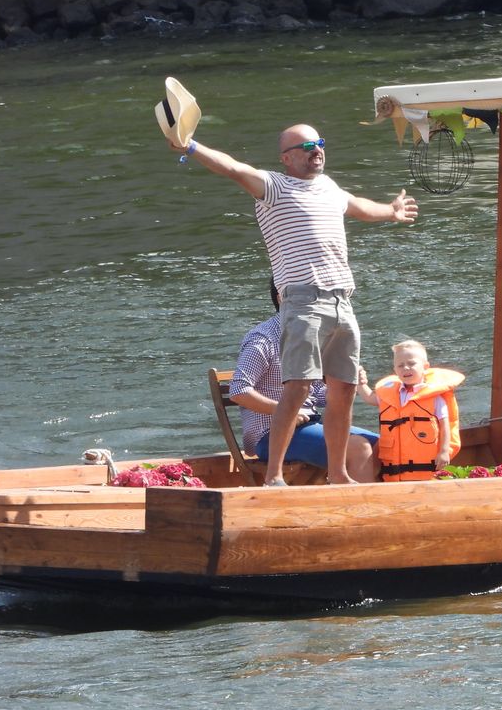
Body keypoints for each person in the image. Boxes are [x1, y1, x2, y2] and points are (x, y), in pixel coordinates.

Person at [172, 123, 418, 486]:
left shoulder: (329, 187)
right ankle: (273, 477)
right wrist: (190, 145)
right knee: (299, 386)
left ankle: (339, 475)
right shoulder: (274, 187)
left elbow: (359, 206)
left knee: (344, 388)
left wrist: (391, 211)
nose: (315, 149)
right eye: (305, 146)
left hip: (342, 300)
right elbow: (232, 167)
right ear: (286, 158)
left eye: (319, 142)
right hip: (303, 298)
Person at [229, 278, 380, 483]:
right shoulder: (262, 339)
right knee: (359, 447)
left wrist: (347, 385)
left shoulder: (314, 333)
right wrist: (282, 409)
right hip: (268, 435)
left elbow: (319, 397)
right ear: (283, 297)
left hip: (312, 424)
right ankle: (356, 512)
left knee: (381, 444)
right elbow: (238, 390)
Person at [357, 339, 465, 481]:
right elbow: (369, 397)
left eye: (411, 363)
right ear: (395, 370)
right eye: (400, 365)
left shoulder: (435, 397)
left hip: (426, 469)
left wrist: (444, 452)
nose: (406, 368)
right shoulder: (390, 394)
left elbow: (445, 425)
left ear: (425, 367)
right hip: (395, 468)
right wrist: (360, 383)